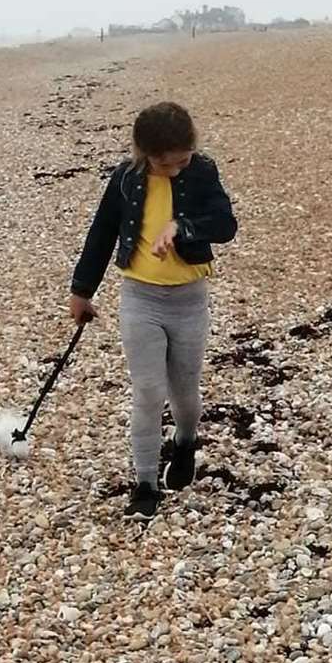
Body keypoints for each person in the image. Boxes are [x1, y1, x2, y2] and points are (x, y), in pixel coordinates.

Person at [69, 101, 237, 520]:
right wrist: (82, 290)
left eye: (183, 160)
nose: (177, 170)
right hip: (139, 298)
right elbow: (102, 232)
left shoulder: (202, 172)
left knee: (184, 391)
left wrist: (183, 227)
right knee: (147, 390)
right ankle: (145, 482)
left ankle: (185, 442)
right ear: (145, 156)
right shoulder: (125, 179)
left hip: (189, 299)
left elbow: (226, 225)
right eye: (167, 165)